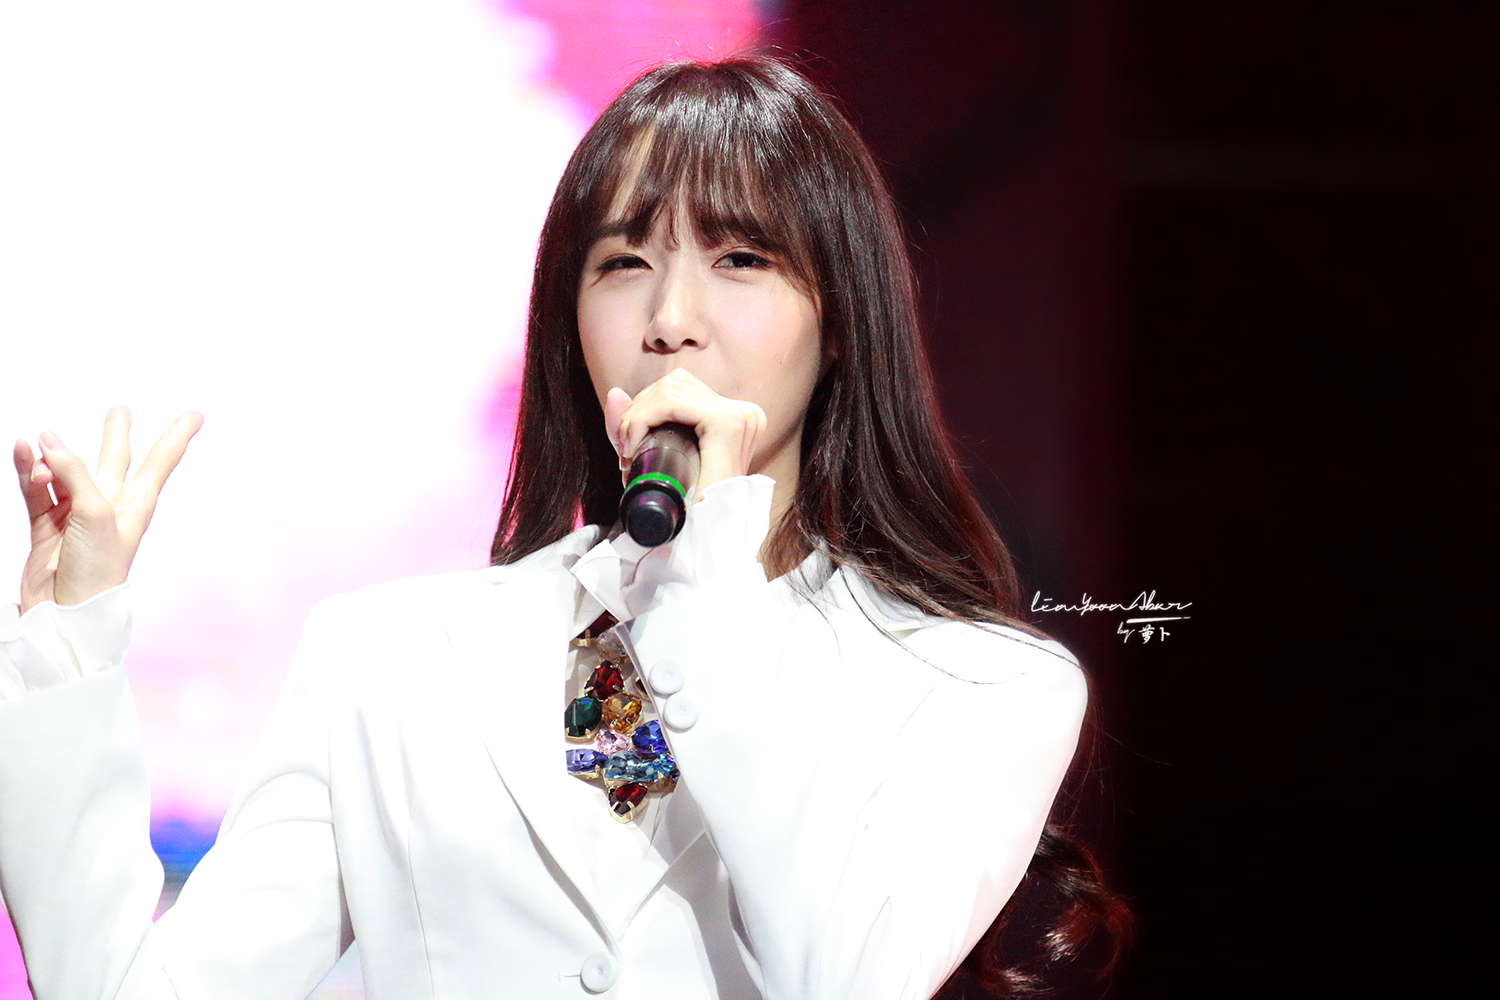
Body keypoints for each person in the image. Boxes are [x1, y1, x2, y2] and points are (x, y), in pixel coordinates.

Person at [0, 56, 1126, 999]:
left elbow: (848, 975)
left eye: (739, 260)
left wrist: (708, 571)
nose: (671, 320)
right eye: (623, 264)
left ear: (840, 319)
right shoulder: (389, 656)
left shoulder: (976, 684)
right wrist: (70, 642)